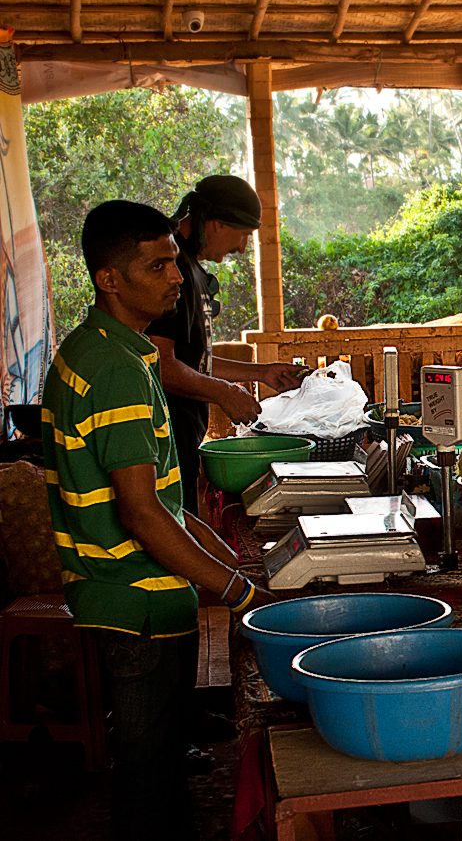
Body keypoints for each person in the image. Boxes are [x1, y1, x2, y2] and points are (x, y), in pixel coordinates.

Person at [42, 200, 276, 841]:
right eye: (157, 265)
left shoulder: (103, 349)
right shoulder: (115, 370)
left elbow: (167, 507)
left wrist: (233, 567)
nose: (177, 277)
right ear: (108, 280)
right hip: (134, 600)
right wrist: (238, 591)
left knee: (163, 762)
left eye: (175, 261)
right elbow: (143, 518)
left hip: (123, 591)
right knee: (147, 776)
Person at [145, 175, 303, 512]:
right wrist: (224, 393)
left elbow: (193, 360)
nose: (243, 248)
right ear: (216, 224)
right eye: (243, 235)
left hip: (185, 436)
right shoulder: (173, 271)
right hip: (161, 438)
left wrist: (261, 372)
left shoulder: (191, 268)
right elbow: (159, 364)